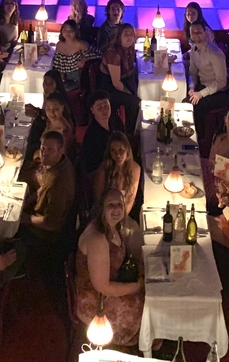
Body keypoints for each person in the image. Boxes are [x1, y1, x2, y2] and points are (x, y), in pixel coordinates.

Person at [75, 187, 144, 346]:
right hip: (96, 299)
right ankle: (132, 341)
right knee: (144, 304)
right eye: (110, 205)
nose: (116, 209)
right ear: (101, 209)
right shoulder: (98, 239)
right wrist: (136, 287)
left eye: (119, 204)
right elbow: (103, 288)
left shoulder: (113, 227)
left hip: (110, 283)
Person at [20, 132, 76, 245]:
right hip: (37, 210)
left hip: (44, 235)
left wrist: (26, 219)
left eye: (50, 150)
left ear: (60, 151)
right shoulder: (59, 163)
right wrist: (28, 200)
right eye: (43, 148)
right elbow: (43, 187)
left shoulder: (59, 184)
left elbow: (51, 224)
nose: (44, 154)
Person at [185, 21, 228, 136]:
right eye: (193, 32)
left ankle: (200, 137)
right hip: (202, 85)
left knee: (198, 107)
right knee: (185, 102)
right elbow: (192, 73)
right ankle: (185, 132)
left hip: (219, 92)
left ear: (205, 33)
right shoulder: (193, 50)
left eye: (199, 32)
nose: (196, 35)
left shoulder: (215, 54)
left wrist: (201, 94)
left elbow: (222, 82)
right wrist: (192, 87)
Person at [97, 23, 139, 135]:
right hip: (108, 88)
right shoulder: (113, 54)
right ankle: (129, 133)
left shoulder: (128, 49)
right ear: (119, 36)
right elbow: (116, 83)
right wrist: (130, 93)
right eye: (126, 34)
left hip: (120, 82)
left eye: (131, 34)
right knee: (135, 102)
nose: (129, 37)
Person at [92, 132, 141, 216]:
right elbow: (99, 200)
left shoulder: (135, 168)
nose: (117, 154)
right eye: (113, 150)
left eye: (120, 150)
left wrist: (121, 218)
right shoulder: (103, 169)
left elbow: (130, 200)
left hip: (124, 213)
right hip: (104, 213)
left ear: (127, 150)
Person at [24, 91, 77, 163]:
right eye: (48, 109)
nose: (51, 113)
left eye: (56, 109)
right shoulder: (50, 121)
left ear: (63, 107)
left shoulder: (64, 132)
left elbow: (61, 161)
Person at [80, 91, 125, 175]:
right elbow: (91, 164)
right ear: (92, 110)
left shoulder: (116, 122)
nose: (104, 110)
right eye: (99, 108)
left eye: (106, 106)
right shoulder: (92, 134)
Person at [52, 19, 93, 90]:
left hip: (78, 78)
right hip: (64, 77)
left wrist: (84, 60)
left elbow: (95, 55)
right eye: (65, 30)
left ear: (76, 32)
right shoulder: (59, 45)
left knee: (63, 89)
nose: (67, 33)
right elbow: (58, 64)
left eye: (71, 31)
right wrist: (61, 77)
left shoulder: (81, 44)